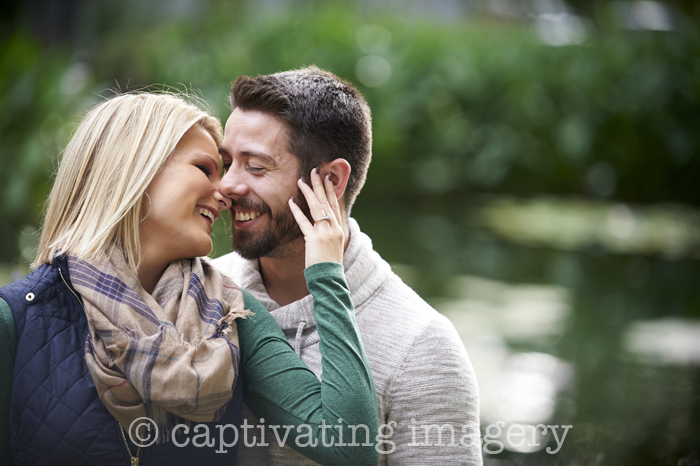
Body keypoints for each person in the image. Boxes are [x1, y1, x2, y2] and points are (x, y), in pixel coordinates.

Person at [0, 92, 380, 466]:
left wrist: (327, 273)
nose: (226, 192)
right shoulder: (15, 320)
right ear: (134, 172)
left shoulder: (231, 314)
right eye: (205, 169)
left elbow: (348, 446)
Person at [215, 66, 483, 465]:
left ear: (333, 180)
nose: (227, 186)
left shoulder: (423, 347)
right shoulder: (206, 286)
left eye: (255, 166)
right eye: (226, 163)